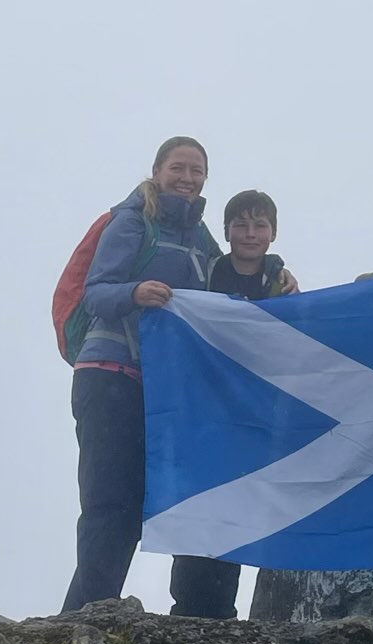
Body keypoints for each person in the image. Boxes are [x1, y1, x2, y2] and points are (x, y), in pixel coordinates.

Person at [61, 137, 291, 619]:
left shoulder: (200, 239)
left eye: (197, 171)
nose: (187, 179)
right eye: (178, 169)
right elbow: (97, 293)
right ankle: (83, 616)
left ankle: (120, 611)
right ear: (158, 170)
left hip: (160, 387)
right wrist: (135, 291)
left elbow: (226, 283)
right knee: (110, 501)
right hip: (109, 373)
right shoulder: (132, 221)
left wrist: (275, 272)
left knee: (143, 504)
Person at [210, 190, 287, 299]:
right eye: (241, 225)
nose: (250, 234)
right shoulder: (205, 276)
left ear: (273, 233)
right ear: (227, 233)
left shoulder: (284, 287)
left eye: (260, 226)